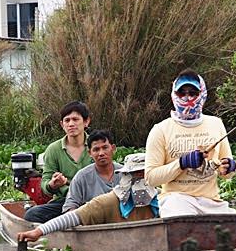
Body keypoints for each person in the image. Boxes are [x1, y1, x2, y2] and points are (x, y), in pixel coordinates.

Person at [144, 69, 236, 217]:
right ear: (174, 94)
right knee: (182, 217)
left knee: (235, 226)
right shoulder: (160, 130)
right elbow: (151, 178)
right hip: (176, 200)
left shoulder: (216, 124)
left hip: (212, 202)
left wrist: (231, 167)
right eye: (182, 93)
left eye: (193, 93)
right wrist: (182, 163)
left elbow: (226, 172)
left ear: (202, 94)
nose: (187, 98)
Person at [17, 153, 158, 242]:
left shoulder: (160, 200)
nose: (140, 181)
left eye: (143, 175)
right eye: (135, 175)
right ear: (125, 177)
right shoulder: (108, 202)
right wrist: (38, 232)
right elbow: (71, 217)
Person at [24, 101, 93, 223]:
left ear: (86, 122)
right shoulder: (53, 149)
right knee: (32, 214)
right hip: (65, 201)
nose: (71, 124)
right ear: (62, 124)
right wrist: (52, 184)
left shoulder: (96, 145)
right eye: (67, 120)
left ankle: (67, 222)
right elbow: (45, 184)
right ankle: (67, 222)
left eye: (75, 119)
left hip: (94, 200)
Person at [62, 129, 122, 212]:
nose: (101, 153)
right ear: (90, 153)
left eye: (105, 147)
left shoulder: (125, 173)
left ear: (113, 148)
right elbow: (69, 206)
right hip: (94, 223)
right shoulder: (82, 177)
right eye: (96, 149)